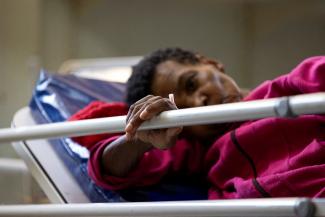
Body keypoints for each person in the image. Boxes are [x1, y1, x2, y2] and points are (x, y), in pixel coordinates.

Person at [70, 48, 325, 199]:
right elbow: (107, 169)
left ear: (211, 63)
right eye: (181, 107)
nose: (198, 101)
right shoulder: (200, 152)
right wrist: (138, 135)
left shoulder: (291, 87)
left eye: (191, 83)